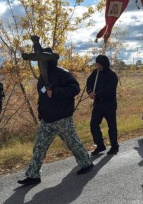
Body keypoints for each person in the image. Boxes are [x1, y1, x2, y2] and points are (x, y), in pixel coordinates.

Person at [18, 48, 94, 186]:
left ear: (49, 60)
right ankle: (33, 175)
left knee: (73, 143)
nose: (40, 64)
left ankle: (86, 163)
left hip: (62, 117)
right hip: (47, 119)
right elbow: (43, 96)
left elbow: (75, 88)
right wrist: (41, 113)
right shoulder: (42, 76)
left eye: (42, 61)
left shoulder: (62, 73)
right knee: (39, 146)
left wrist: (56, 92)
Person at [86, 55, 119, 155]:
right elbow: (89, 82)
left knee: (111, 125)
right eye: (97, 64)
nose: (98, 66)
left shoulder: (112, 75)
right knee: (93, 124)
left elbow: (110, 89)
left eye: (100, 64)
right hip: (98, 104)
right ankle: (100, 145)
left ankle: (114, 146)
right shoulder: (95, 73)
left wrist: (97, 94)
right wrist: (90, 91)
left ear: (105, 64)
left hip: (109, 104)